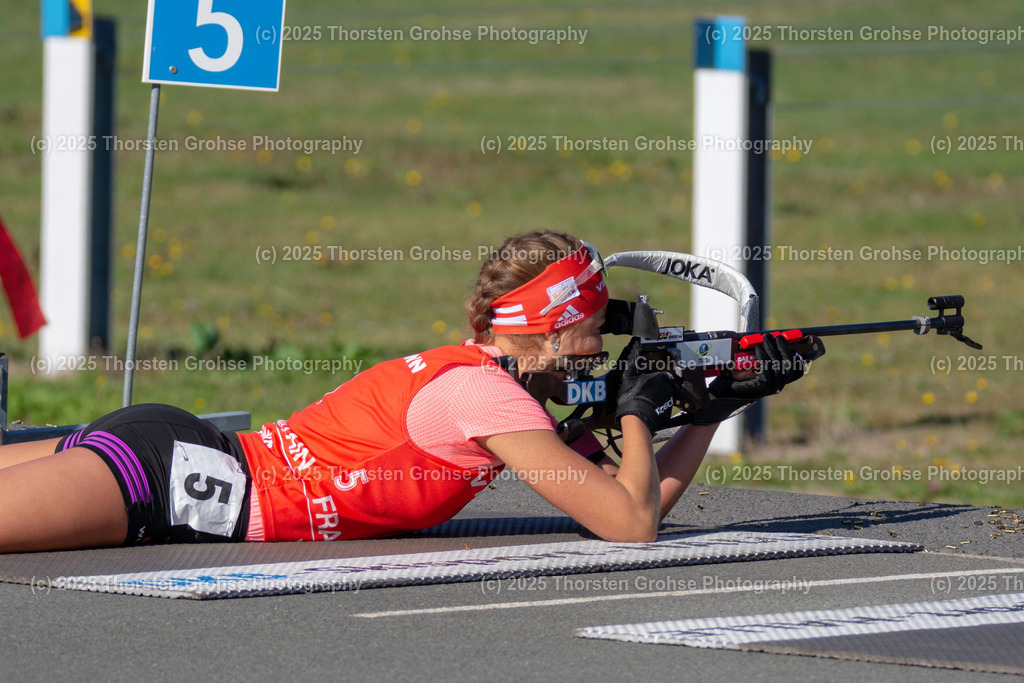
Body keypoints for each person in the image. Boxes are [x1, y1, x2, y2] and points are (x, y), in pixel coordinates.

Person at [0, 232, 805, 552]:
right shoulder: (491, 401)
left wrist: (705, 410)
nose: (608, 345)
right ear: (557, 331)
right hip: (177, 483)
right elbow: (630, 523)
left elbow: (622, 500)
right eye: (600, 326)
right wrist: (637, 404)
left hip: (179, 459)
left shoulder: (484, 383)